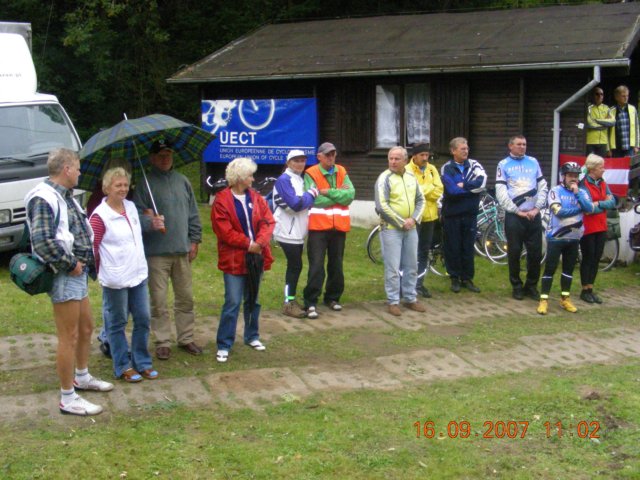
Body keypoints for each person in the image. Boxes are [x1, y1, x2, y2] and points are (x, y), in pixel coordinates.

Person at [25, 148, 113, 416]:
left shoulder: (66, 196)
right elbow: (43, 241)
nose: (79, 173)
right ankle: (67, 397)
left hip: (78, 272)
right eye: (77, 168)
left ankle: (82, 376)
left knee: (86, 327)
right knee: (69, 336)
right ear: (66, 169)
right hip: (65, 274)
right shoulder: (43, 198)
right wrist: (71, 263)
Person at [133, 138, 203, 360]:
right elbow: (135, 217)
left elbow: (193, 213)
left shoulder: (183, 181)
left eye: (168, 155)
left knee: (186, 298)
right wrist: (150, 222)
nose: (165, 159)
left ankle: (186, 337)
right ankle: (162, 341)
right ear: (152, 158)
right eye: (161, 155)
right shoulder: (144, 184)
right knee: (159, 300)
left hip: (181, 250)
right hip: (156, 253)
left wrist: (195, 240)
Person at [90, 167, 158, 383]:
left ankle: (142, 362)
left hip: (138, 273)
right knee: (117, 323)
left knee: (143, 318)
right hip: (116, 278)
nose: (123, 189)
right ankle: (122, 365)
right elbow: (92, 247)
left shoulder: (130, 207)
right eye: (118, 185)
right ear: (107, 188)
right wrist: (99, 271)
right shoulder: (99, 216)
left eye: (126, 185)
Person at [211, 157, 275, 363]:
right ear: (240, 178)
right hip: (234, 259)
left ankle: (252, 335)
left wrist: (260, 242)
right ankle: (224, 344)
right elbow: (224, 231)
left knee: (253, 299)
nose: (253, 179)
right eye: (250, 175)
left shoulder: (256, 198)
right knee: (232, 301)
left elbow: (268, 221)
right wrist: (248, 244)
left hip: (256, 257)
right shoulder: (222, 200)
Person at [302, 142, 356, 319]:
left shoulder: (341, 171)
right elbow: (313, 200)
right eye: (327, 155)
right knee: (316, 266)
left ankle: (332, 298)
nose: (331, 157)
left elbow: (350, 196)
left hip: (339, 227)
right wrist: (338, 193)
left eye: (333, 154)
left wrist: (327, 192)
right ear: (319, 157)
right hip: (318, 228)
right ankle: (310, 302)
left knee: (336, 265)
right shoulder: (311, 173)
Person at [375, 146, 427, 316]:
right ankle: (393, 301)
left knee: (411, 265)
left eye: (397, 159)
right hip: (391, 229)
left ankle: (410, 298)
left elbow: (421, 200)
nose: (393, 162)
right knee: (392, 267)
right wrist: (401, 222)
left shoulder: (411, 177)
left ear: (405, 160)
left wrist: (414, 219)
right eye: (390, 158)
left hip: (411, 228)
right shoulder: (384, 178)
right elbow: (382, 206)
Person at [537, 162, 594, 315]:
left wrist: (578, 194)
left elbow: (590, 209)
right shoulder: (555, 191)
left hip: (574, 238)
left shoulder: (582, 192)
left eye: (576, 176)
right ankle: (544, 300)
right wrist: (579, 208)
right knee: (550, 269)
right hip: (556, 237)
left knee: (568, 270)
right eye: (570, 176)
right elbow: (559, 211)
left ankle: (565, 299)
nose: (573, 179)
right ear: (563, 177)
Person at [495, 135, 548, 300]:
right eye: (519, 144)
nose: (522, 147)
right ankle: (516, 286)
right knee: (514, 252)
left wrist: (537, 208)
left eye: (524, 144)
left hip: (533, 215)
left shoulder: (533, 161)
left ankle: (531, 286)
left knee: (535, 253)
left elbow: (542, 186)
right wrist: (516, 210)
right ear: (510, 146)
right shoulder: (503, 164)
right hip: (515, 216)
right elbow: (501, 191)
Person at [272, 150, 319, 318]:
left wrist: (304, 200)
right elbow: (296, 205)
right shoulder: (284, 180)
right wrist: (311, 194)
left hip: (297, 232)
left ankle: (290, 300)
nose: (300, 163)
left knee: (295, 267)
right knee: (295, 266)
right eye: (296, 160)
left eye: (302, 160)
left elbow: (300, 204)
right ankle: (288, 303)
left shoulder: (299, 179)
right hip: (287, 232)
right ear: (288, 162)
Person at [440, 137, 486, 293]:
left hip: (469, 214)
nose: (466, 151)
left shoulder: (475, 165)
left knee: (467, 247)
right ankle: (454, 278)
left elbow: (482, 183)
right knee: (453, 247)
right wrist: (470, 191)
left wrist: (464, 185)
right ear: (453, 151)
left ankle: (467, 278)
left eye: (467, 148)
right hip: (452, 215)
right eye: (462, 149)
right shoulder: (447, 168)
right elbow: (452, 191)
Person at [579, 154, 617, 304]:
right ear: (592, 169)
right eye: (601, 167)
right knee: (588, 258)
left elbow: (612, 202)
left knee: (596, 258)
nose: (604, 169)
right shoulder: (583, 184)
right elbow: (588, 208)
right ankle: (584, 290)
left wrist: (599, 204)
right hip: (588, 227)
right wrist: (602, 203)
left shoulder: (603, 183)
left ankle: (591, 288)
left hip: (601, 226)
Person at [407, 143, 443, 298]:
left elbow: (439, 190)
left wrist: (423, 190)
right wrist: (429, 189)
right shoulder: (407, 170)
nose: (425, 158)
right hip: (415, 217)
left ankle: (419, 283)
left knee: (424, 251)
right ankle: (407, 284)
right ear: (414, 156)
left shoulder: (432, 169)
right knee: (410, 252)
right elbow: (412, 192)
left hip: (430, 216)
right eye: (422, 155)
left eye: (427, 155)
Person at [608, 85, 639, 158]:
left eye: (627, 96)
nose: (626, 98)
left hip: (630, 147)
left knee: (629, 165)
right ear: (617, 97)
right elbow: (607, 131)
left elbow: (636, 128)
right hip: (616, 147)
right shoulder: (611, 111)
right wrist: (608, 148)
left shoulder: (632, 109)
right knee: (617, 165)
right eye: (623, 96)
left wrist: (637, 145)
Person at [586, 87, 615, 156]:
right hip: (590, 142)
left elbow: (612, 122)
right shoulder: (588, 108)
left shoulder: (606, 108)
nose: (599, 96)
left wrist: (596, 120)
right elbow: (590, 123)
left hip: (603, 142)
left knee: (601, 162)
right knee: (591, 162)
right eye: (597, 94)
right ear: (592, 95)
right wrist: (605, 124)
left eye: (601, 94)